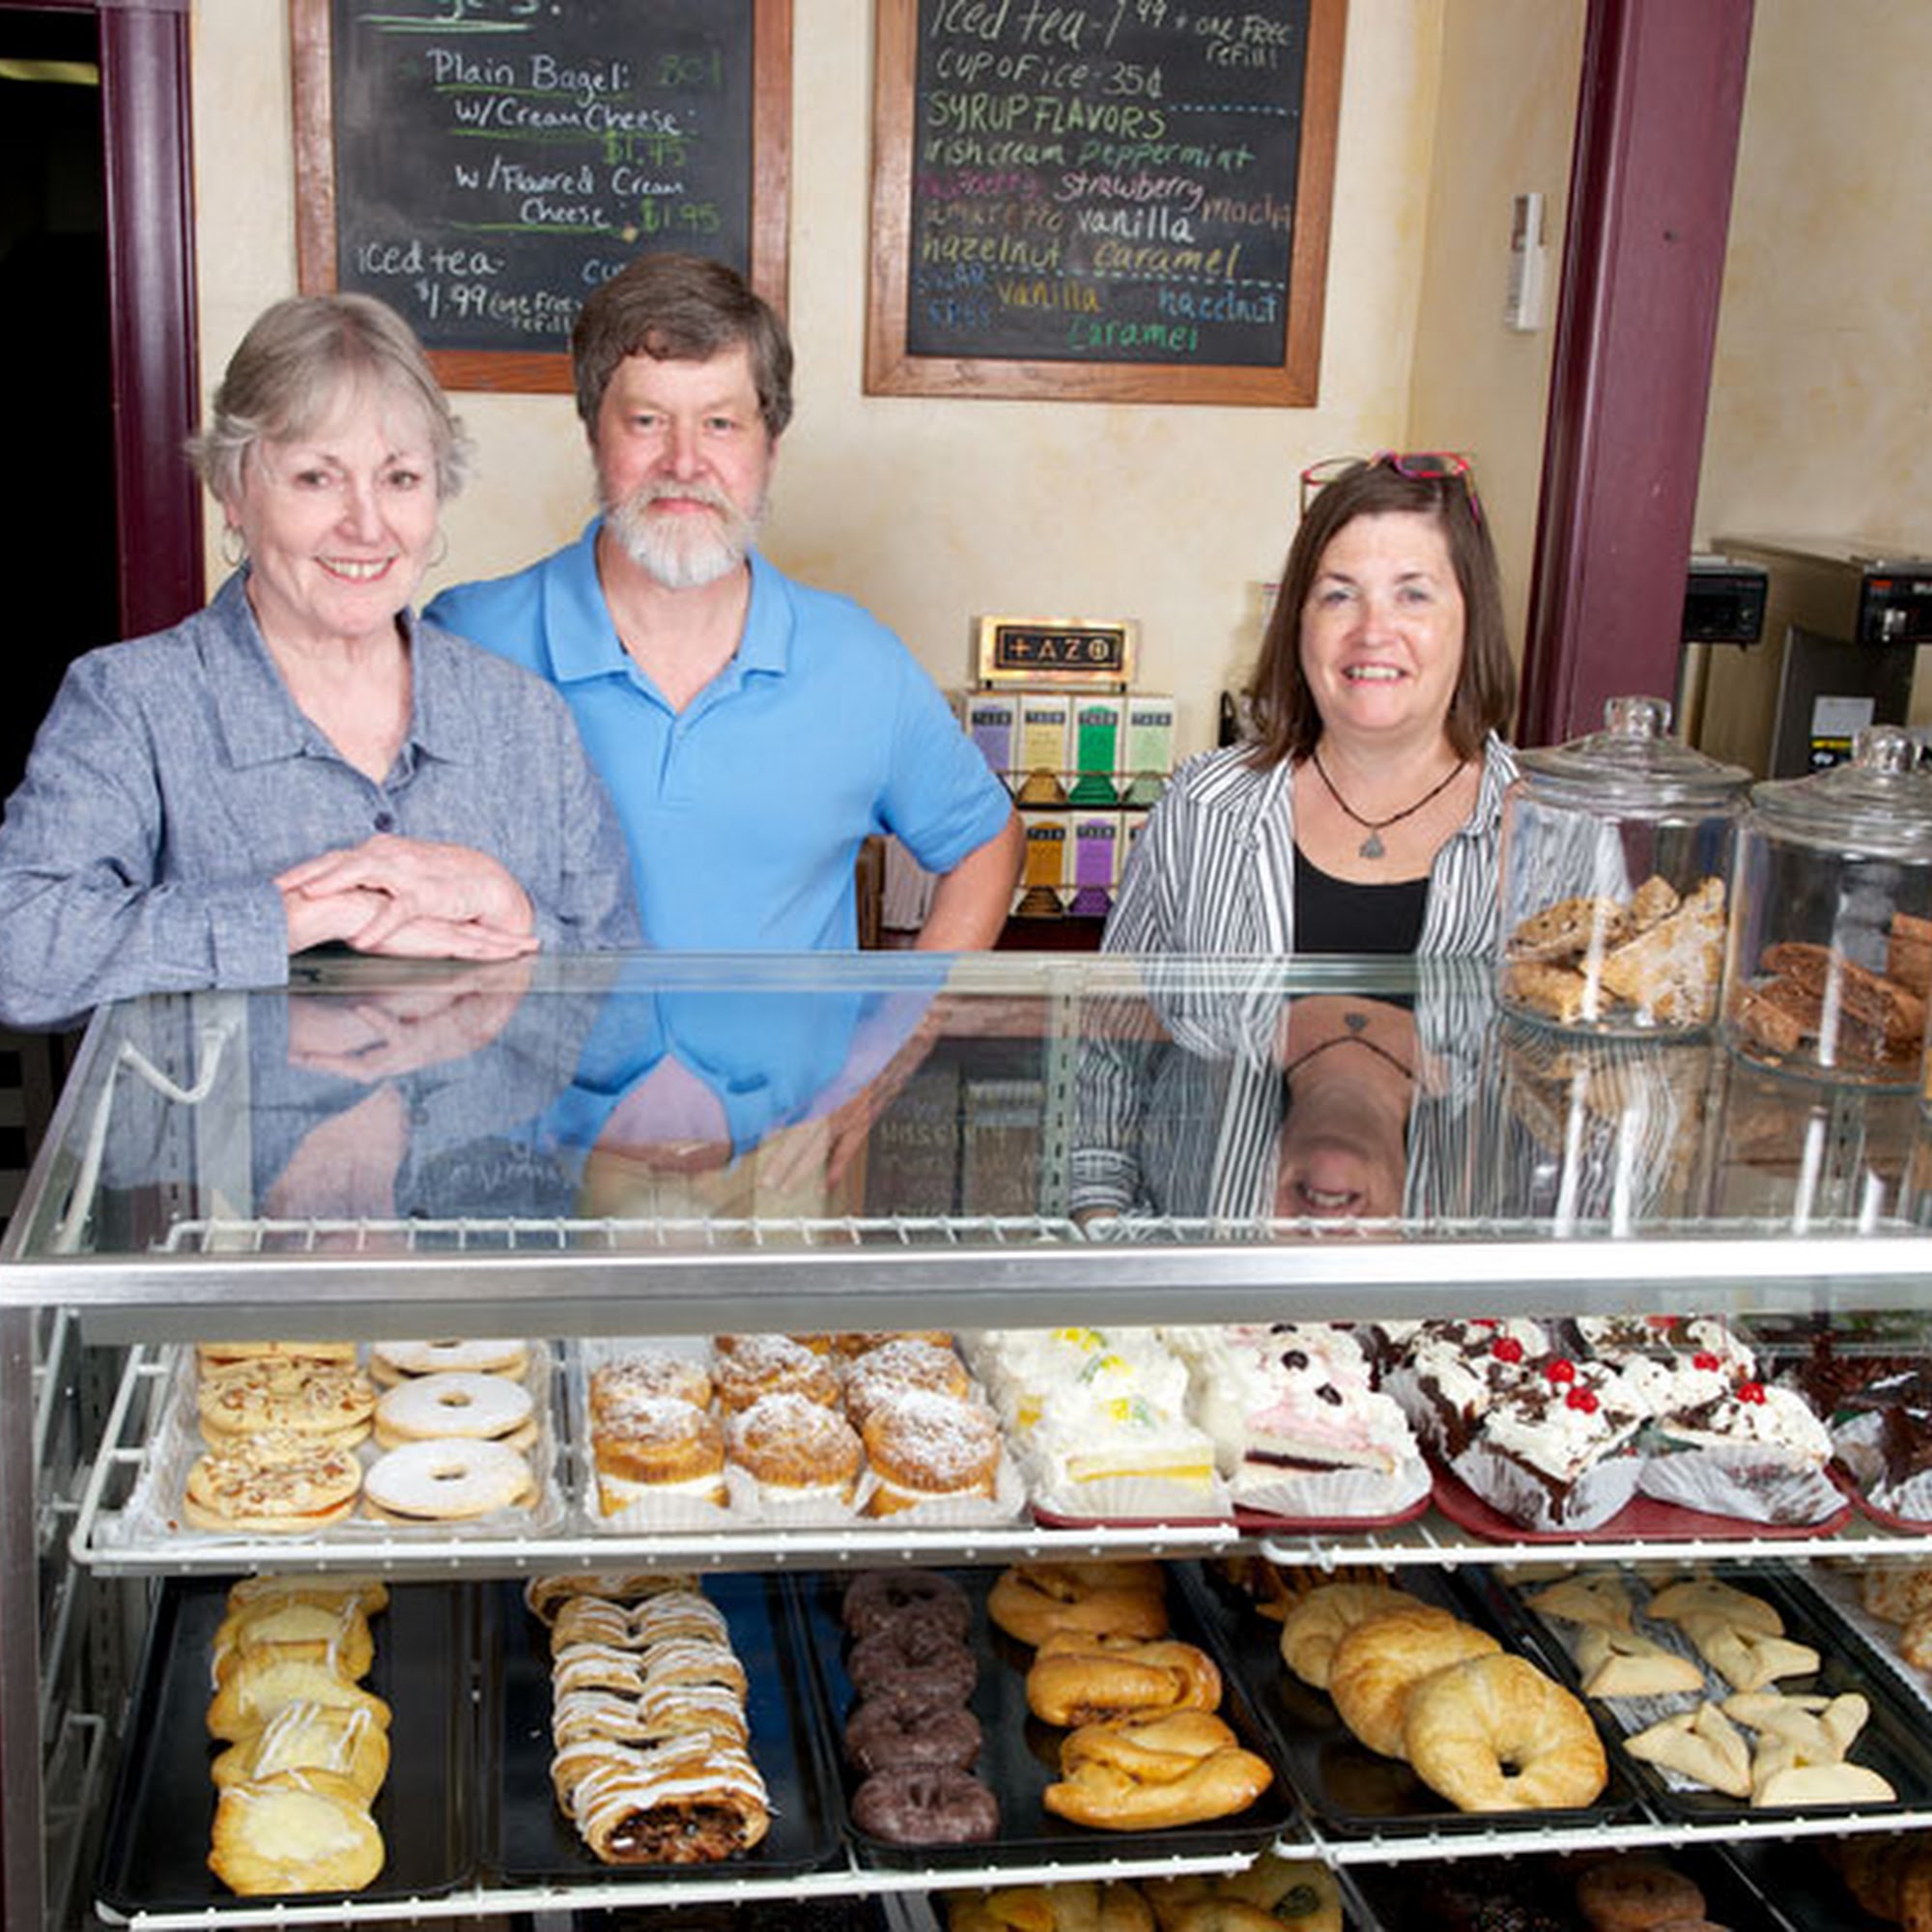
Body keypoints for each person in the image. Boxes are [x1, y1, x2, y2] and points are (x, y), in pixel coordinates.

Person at [0, 295, 639, 1033]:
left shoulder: (524, 716)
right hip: (234, 1119)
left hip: (491, 1117)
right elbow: (20, 955)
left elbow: (621, 990)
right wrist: (295, 917)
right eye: (316, 477)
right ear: (232, 490)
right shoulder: (130, 702)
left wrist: (510, 907)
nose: (366, 526)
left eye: (399, 478)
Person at [427, 252, 1021, 952]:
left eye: (720, 424)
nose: (684, 463)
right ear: (592, 433)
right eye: (646, 420)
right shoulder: (466, 640)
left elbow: (986, 843)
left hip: (797, 1038)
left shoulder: (860, 664)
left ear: (770, 446)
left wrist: (908, 1015)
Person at [1101, 451, 1518, 959]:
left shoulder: (1554, 828)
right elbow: (1112, 1007)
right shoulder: (1200, 804)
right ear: (1298, 621)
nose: (1372, 632)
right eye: (1339, 596)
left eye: (1413, 595)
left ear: (1472, 619)